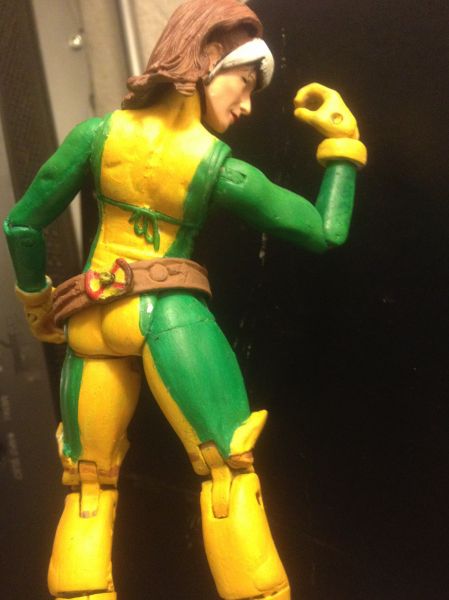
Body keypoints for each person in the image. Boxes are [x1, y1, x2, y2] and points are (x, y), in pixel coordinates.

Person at [3, 0, 367, 598]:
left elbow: (21, 225)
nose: (246, 105)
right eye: (244, 82)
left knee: (88, 486)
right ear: (207, 59)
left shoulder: (96, 136)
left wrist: (39, 305)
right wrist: (343, 146)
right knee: (227, 469)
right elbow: (324, 231)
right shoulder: (218, 168)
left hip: (89, 321)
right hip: (168, 316)